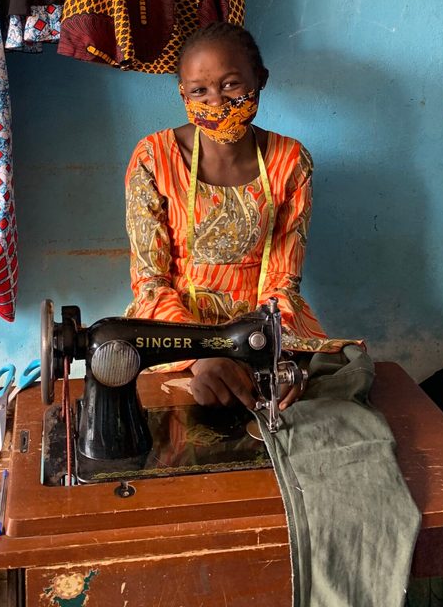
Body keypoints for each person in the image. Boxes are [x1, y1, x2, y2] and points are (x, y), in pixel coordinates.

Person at [125, 22, 352, 412]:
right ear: (183, 93)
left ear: (259, 79)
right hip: (175, 340)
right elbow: (150, 282)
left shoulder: (290, 161)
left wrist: (263, 354)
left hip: (263, 337)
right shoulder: (153, 159)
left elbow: (283, 279)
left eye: (231, 84)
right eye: (199, 90)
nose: (216, 101)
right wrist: (202, 358)